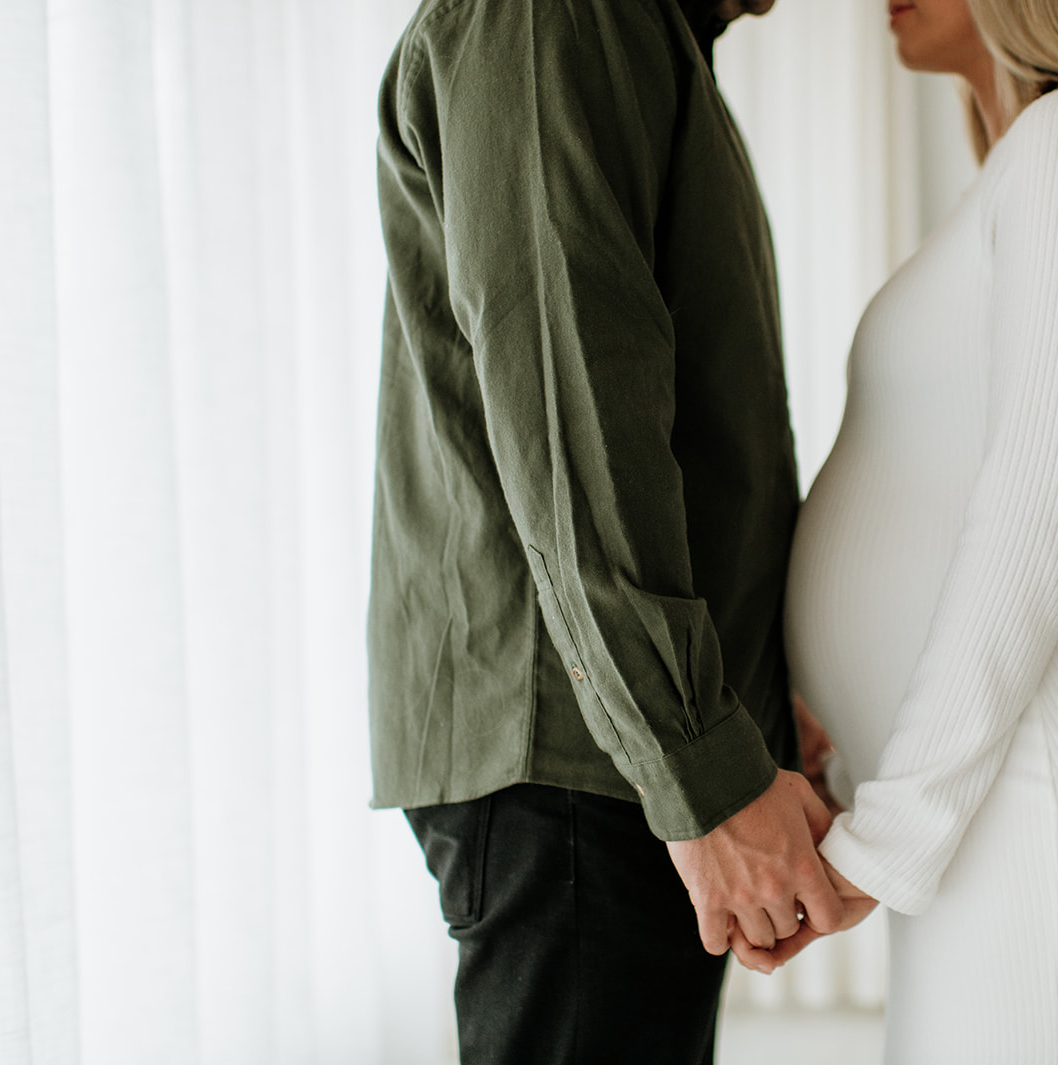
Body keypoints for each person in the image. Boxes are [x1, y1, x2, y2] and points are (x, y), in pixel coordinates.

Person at [743, 0, 1058, 1059]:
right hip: (998, 793)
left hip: (1049, 785)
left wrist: (892, 835)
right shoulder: (1032, 162)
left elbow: (1038, 505)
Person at [366, 0, 847, 1061]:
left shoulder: (634, 37)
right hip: (591, 764)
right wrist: (701, 764)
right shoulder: (560, 18)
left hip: (615, 753)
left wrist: (752, 702)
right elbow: (574, 431)